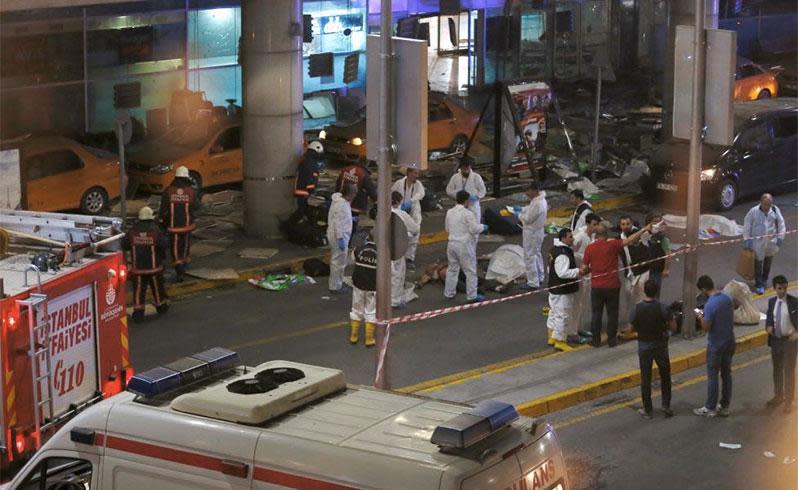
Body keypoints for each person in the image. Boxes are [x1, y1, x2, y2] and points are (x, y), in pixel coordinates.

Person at [581, 222, 651, 347]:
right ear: (607, 234)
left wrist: (588, 270)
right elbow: (629, 240)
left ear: (596, 235)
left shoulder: (590, 248)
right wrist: (644, 229)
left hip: (597, 286)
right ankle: (611, 340)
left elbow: (584, 268)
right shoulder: (613, 245)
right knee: (612, 313)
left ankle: (596, 340)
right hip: (612, 285)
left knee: (596, 313)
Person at [629, 279, 676, 419]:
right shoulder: (663, 308)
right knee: (665, 376)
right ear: (656, 291)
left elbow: (631, 328)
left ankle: (648, 410)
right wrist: (668, 332)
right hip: (660, 345)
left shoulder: (637, 308)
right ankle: (666, 405)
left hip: (644, 346)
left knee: (645, 378)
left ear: (644, 290)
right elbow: (673, 325)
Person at [694, 275, 736, 417]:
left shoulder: (710, 304)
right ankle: (725, 406)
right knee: (726, 374)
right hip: (729, 341)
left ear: (704, 289)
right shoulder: (727, 298)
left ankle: (710, 407)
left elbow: (706, 327)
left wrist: (700, 316)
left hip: (716, 344)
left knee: (713, 376)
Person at [124, 206, 169, 323]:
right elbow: (164, 244)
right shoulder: (155, 231)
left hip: (138, 269)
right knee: (157, 288)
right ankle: (161, 307)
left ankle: (138, 314)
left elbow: (124, 245)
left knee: (139, 290)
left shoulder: (132, 231)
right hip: (154, 268)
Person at [444, 190, 487, 303]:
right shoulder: (468, 214)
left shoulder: (449, 212)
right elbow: (474, 229)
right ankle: (472, 295)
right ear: (466, 201)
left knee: (452, 269)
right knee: (470, 271)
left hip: (451, 243)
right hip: (464, 245)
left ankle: (449, 292)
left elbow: (447, 229)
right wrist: (483, 227)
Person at [764, 275, 798, 413]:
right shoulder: (772, 302)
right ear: (774, 288)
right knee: (777, 370)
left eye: (784, 288)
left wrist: (797, 332)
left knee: (788, 371)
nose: (782, 291)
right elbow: (769, 318)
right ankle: (779, 396)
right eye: (779, 288)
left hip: (789, 342)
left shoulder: (794, 302)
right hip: (776, 340)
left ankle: (789, 401)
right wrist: (768, 326)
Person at [159, 166, 198, 283]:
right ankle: (183, 266)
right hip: (187, 227)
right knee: (185, 246)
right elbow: (197, 206)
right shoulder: (191, 191)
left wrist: (161, 221)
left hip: (173, 227)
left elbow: (163, 210)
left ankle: (179, 268)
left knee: (175, 248)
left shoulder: (168, 191)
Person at [547, 228, 582, 351]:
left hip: (554, 288)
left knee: (554, 313)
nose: (573, 239)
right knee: (563, 315)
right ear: (563, 238)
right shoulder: (563, 254)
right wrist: (579, 271)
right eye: (570, 237)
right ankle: (560, 340)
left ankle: (551, 336)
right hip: (563, 290)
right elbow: (562, 273)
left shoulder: (554, 250)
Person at [743, 193, 786, 294]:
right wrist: (747, 239)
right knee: (758, 264)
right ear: (761, 202)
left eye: (769, 205)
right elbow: (747, 225)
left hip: (771, 243)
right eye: (765, 204)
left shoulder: (775, 210)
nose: (767, 207)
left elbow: (781, 224)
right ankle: (758, 284)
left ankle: (764, 280)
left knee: (767, 263)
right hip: (757, 243)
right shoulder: (753, 211)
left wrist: (780, 238)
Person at [618, 216, 651, 337]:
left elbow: (648, 235)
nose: (625, 226)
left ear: (631, 223)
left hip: (643, 272)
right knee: (630, 300)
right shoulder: (620, 238)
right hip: (630, 274)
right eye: (623, 224)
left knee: (642, 300)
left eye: (627, 223)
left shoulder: (641, 234)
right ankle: (631, 325)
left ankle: (644, 326)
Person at [572, 213, 601, 337]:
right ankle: (572, 331)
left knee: (583, 303)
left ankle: (579, 327)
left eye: (597, 225)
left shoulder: (593, 236)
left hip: (588, 275)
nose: (596, 227)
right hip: (580, 274)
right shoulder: (580, 237)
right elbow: (571, 252)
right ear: (588, 224)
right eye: (594, 225)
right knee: (577, 303)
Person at [391, 191, 420, 308]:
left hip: (383, 248)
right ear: (398, 202)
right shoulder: (401, 214)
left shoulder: (382, 213)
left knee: (384, 274)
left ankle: (383, 296)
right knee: (397, 275)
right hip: (397, 248)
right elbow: (415, 229)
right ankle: (395, 301)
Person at [391, 168, 425, 269]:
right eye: (415, 173)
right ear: (408, 173)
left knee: (414, 236)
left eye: (417, 173)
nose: (416, 176)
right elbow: (392, 193)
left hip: (413, 213)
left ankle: (410, 258)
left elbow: (421, 194)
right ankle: (398, 256)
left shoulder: (418, 184)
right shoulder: (399, 183)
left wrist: (411, 201)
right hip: (401, 211)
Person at [349, 231, 378, 346]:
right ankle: (369, 338)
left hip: (358, 283)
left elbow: (352, 260)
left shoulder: (358, 249)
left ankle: (354, 336)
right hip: (372, 285)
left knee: (356, 308)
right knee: (370, 310)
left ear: (367, 238)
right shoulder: (381, 253)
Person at [327, 184, 357, 294]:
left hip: (338, 235)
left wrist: (350, 218)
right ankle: (335, 286)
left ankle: (337, 283)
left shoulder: (339, 201)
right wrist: (340, 239)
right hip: (339, 236)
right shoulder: (341, 205)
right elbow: (338, 223)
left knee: (339, 261)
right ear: (350, 194)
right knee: (338, 262)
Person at [519, 183, 548, 290]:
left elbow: (528, 219)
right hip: (537, 232)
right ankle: (540, 276)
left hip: (532, 233)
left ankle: (533, 282)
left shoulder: (538, 204)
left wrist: (518, 214)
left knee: (529, 256)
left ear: (534, 191)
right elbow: (530, 209)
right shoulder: (539, 201)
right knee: (536, 253)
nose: (526, 193)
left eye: (528, 191)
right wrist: (522, 209)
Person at [336, 159, 378, 230]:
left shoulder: (345, 169)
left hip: (340, 201)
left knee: (339, 224)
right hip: (355, 206)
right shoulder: (364, 174)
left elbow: (338, 184)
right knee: (350, 228)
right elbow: (372, 191)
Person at [446, 156, 487, 224]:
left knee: (474, 228)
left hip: (473, 207)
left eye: (467, 168)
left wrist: (476, 197)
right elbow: (448, 190)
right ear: (460, 168)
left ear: (470, 167)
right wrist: (458, 195)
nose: (466, 171)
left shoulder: (476, 177)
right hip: (459, 207)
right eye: (464, 169)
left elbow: (483, 190)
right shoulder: (455, 177)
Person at [294, 141, 324, 216]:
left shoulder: (307, 160)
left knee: (303, 211)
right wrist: (311, 189)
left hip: (302, 190)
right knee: (301, 211)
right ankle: (287, 225)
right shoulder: (310, 162)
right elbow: (310, 177)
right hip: (303, 190)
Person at [644, 213, 670, 294]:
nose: (657, 224)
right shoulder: (644, 234)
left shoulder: (663, 238)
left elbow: (668, 254)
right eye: (655, 222)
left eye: (659, 222)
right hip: (644, 269)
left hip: (656, 269)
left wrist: (666, 269)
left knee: (654, 290)